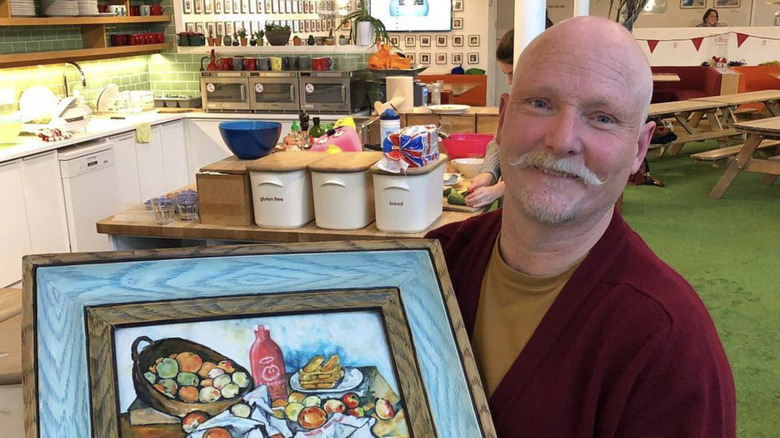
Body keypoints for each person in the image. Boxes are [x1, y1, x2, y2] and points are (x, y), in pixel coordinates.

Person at [426, 16, 736, 437]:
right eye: (540, 103)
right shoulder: (433, 264)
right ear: (502, 121)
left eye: (603, 117)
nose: (562, 139)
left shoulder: (667, 345)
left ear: (639, 150)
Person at [465, 29, 513, 208]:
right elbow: (497, 142)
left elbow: (541, 170)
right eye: (505, 74)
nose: (509, 82)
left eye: (512, 73)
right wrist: (488, 173)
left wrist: (499, 190)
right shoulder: (512, 101)